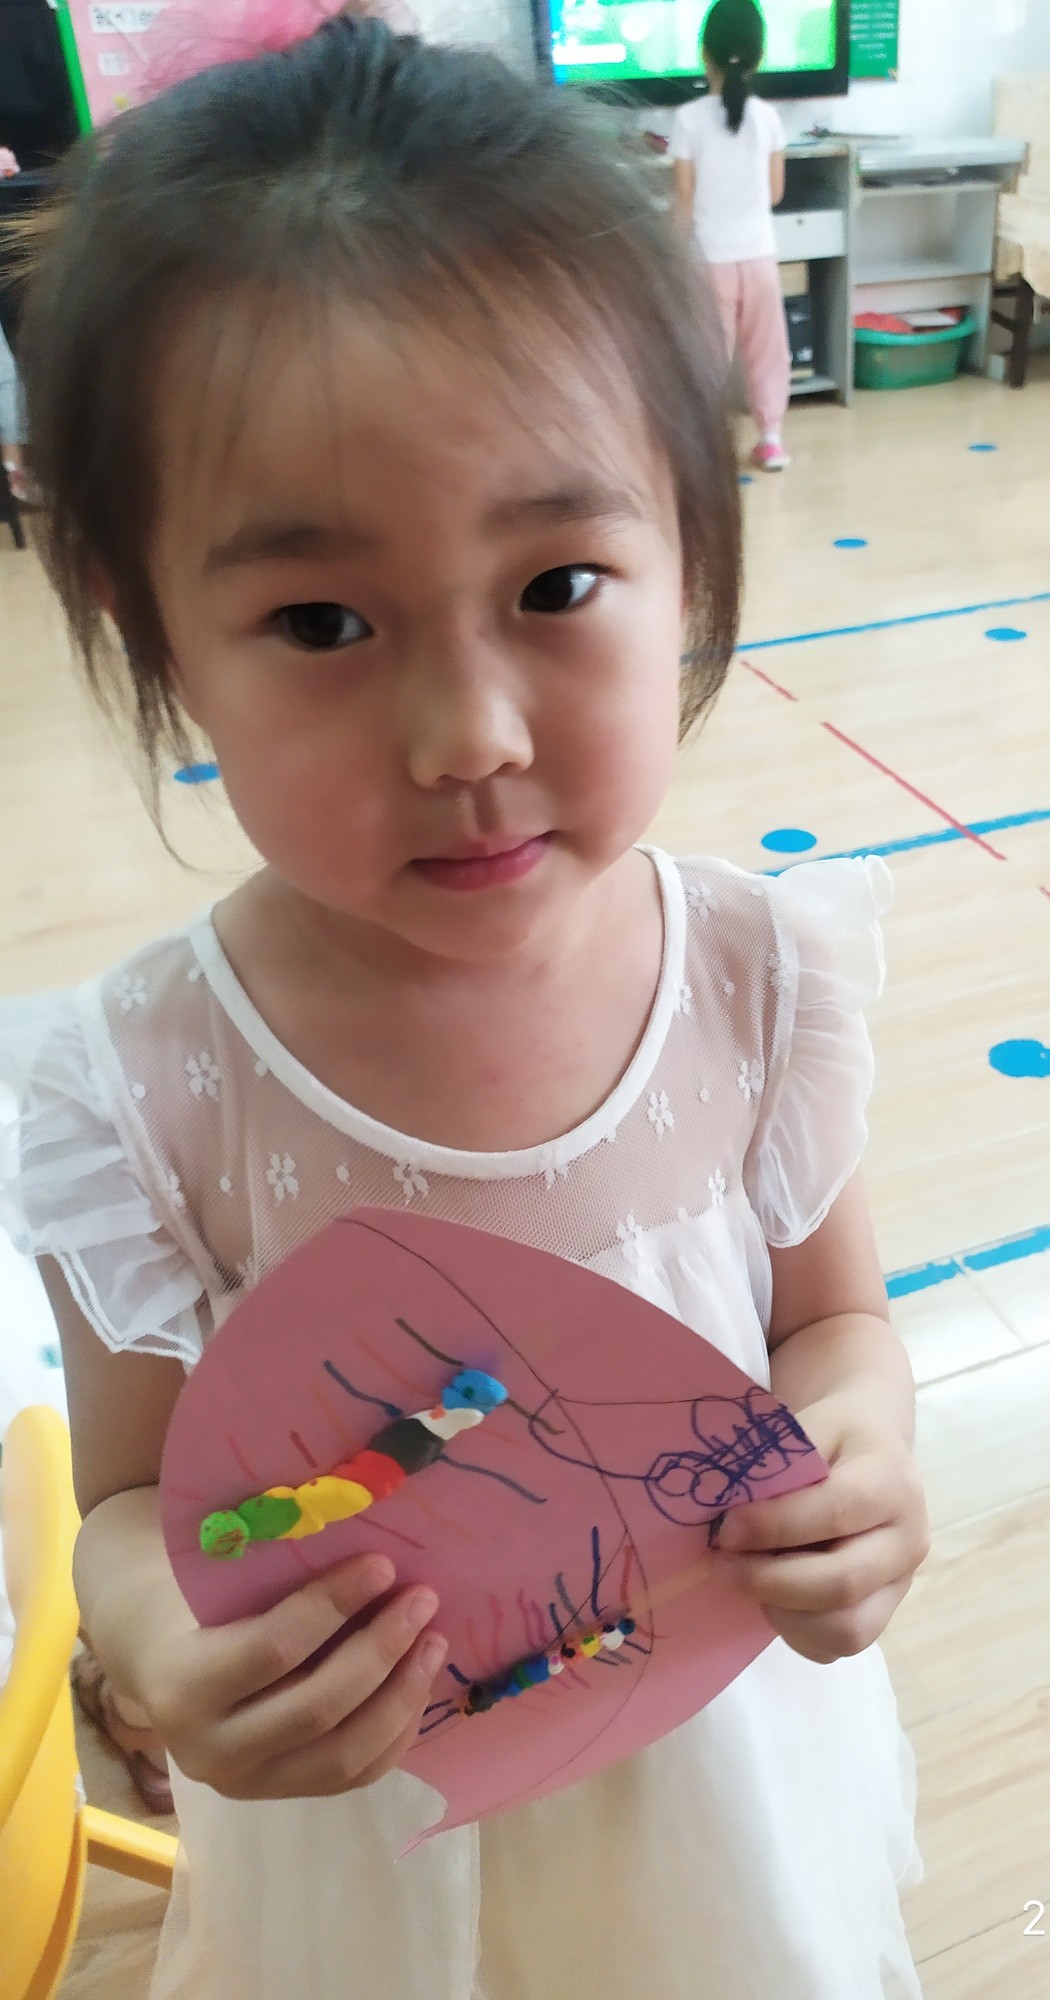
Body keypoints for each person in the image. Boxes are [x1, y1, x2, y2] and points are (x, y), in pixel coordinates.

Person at [1, 14, 928, 1998]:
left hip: (723, 1768)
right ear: (152, 630)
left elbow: (835, 1323)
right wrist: (154, 1641)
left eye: (557, 586)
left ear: (691, 548)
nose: (468, 735)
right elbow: (131, 1501)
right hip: (367, 1826)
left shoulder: (759, 977)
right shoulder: (141, 1087)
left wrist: (861, 1450)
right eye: (321, 622)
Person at [672, 0, 793, 472]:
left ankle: (705, 449)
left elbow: (683, 203)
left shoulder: (687, 119)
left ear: (705, 55)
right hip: (760, 258)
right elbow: (776, 193)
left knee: (708, 357)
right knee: (767, 351)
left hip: (711, 262)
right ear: (758, 57)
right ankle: (771, 439)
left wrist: (669, 257)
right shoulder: (769, 118)